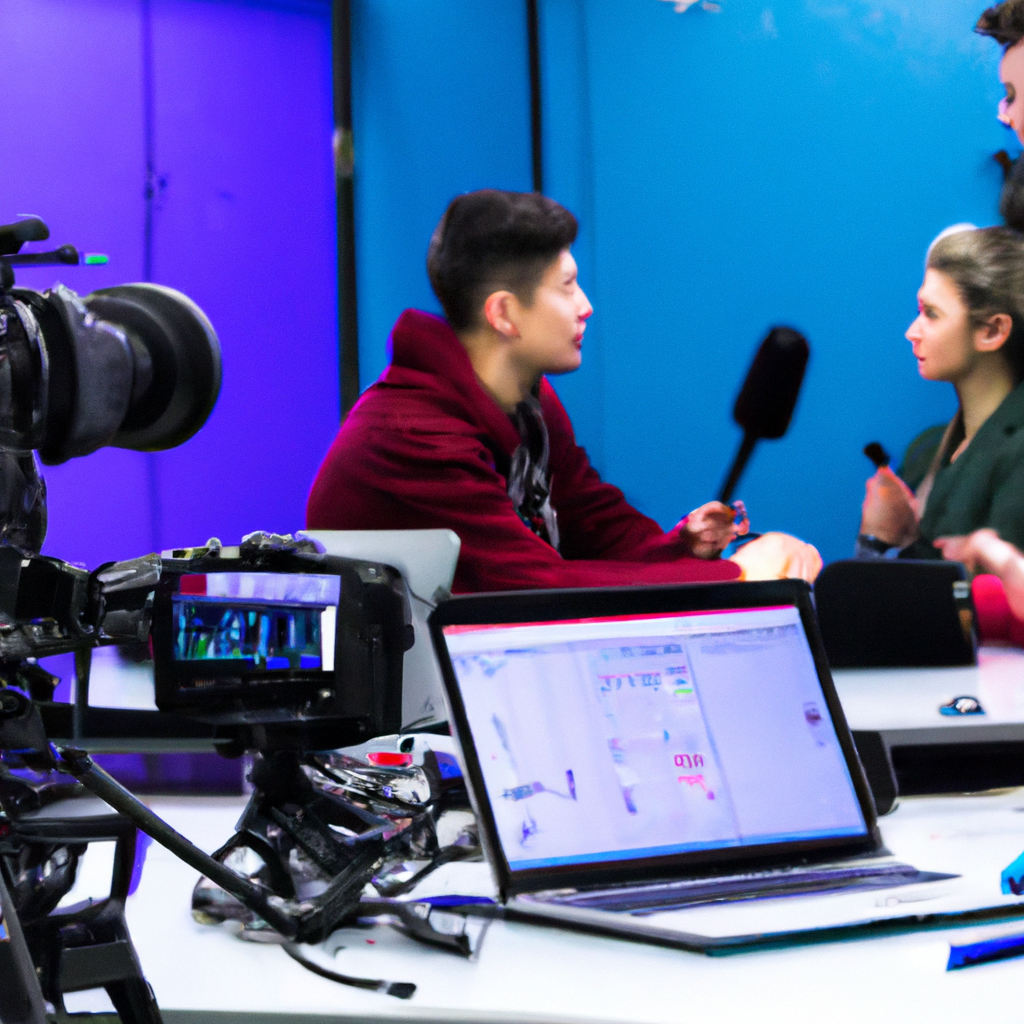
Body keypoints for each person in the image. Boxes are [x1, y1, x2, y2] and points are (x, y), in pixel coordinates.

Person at [307, 189, 820, 593]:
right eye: (567, 286)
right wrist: (739, 579)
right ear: (504, 313)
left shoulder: (526, 400)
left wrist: (680, 547)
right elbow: (531, 588)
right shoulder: (411, 436)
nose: (586, 305)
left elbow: (594, 524)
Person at [858, 226, 1024, 557]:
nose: (911, 332)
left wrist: (881, 542)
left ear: (992, 331)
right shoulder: (927, 454)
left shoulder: (1017, 454)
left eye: (931, 314)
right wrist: (888, 539)